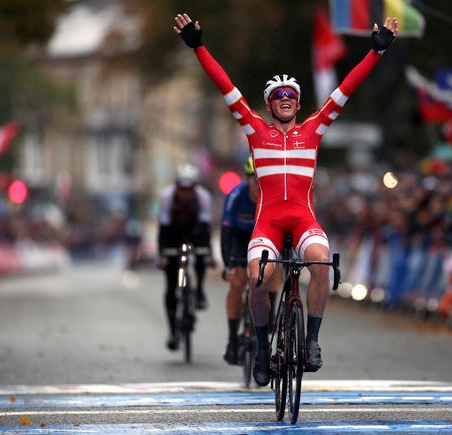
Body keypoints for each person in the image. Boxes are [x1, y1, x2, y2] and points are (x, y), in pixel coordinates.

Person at [173, 12, 398, 385]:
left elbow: (346, 89)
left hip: (303, 218)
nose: (286, 100)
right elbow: (225, 86)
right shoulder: (255, 130)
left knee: (321, 263)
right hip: (269, 222)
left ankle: (311, 343)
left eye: (291, 95)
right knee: (259, 280)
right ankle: (262, 349)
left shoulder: (314, 128)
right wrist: (199, 48)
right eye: (278, 96)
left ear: (298, 102)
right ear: (269, 104)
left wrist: (376, 53)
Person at [220, 156, 277, 365]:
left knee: (275, 265)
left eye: (262, 180)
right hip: (238, 239)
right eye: (254, 179)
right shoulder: (236, 195)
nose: (257, 184)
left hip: (264, 238)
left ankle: (270, 307)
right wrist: (228, 265)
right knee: (237, 281)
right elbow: (225, 233)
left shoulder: (273, 197)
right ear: (247, 179)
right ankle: (233, 339)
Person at [156, 163, 215, 351]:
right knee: (171, 285)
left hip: (195, 232)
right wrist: (162, 256)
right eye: (182, 189)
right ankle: (173, 331)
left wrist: (208, 254)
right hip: (172, 233)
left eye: (189, 189)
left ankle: (198, 292)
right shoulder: (166, 197)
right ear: (176, 186)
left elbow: (206, 230)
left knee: (201, 256)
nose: (185, 193)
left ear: (195, 187)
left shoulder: (203, 197)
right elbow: (163, 231)